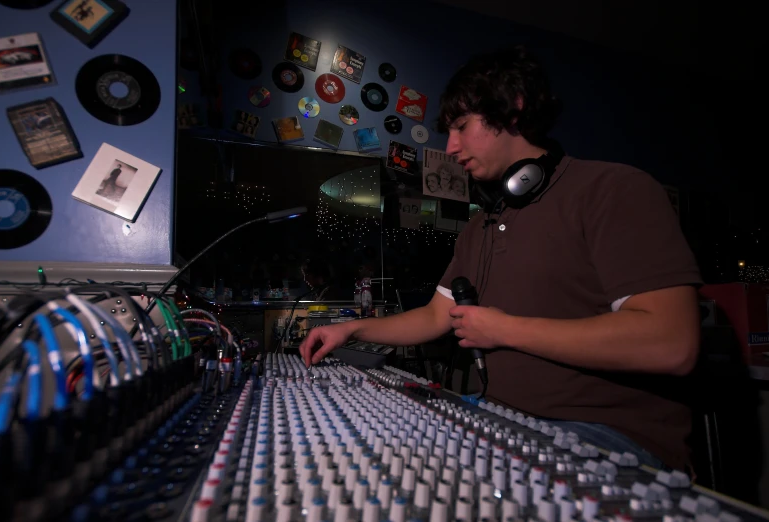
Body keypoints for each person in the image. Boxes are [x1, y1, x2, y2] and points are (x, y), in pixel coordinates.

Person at [300, 45, 701, 472]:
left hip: (606, 438)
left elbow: (671, 342)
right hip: (504, 423)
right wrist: (352, 329)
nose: (451, 147)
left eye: (461, 125)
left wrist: (505, 330)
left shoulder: (612, 189)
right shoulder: (482, 225)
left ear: (512, 110)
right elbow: (436, 317)